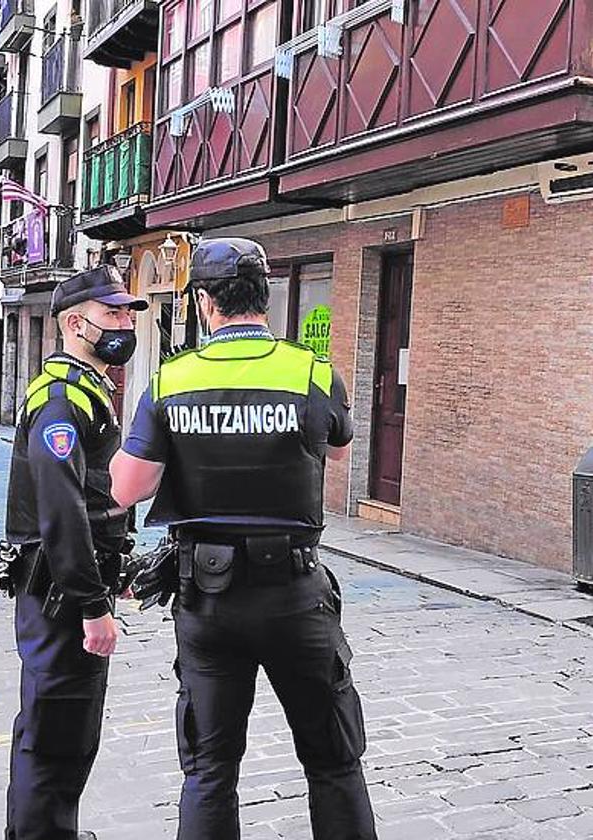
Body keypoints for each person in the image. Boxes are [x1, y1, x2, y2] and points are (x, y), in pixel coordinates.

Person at [110, 238, 376, 840]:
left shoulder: (171, 379)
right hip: (295, 595)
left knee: (210, 768)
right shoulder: (311, 372)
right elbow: (338, 445)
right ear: (265, 295)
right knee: (334, 761)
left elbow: (127, 489)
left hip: (209, 599)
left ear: (205, 303)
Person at [3, 265, 147, 840]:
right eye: (113, 313)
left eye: (128, 314)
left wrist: (119, 571)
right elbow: (61, 509)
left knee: (66, 729)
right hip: (60, 596)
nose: (125, 324)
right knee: (55, 733)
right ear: (74, 322)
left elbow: (96, 498)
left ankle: (48, 830)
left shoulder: (89, 390)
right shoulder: (63, 399)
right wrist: (91, 605)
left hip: (72, 587)